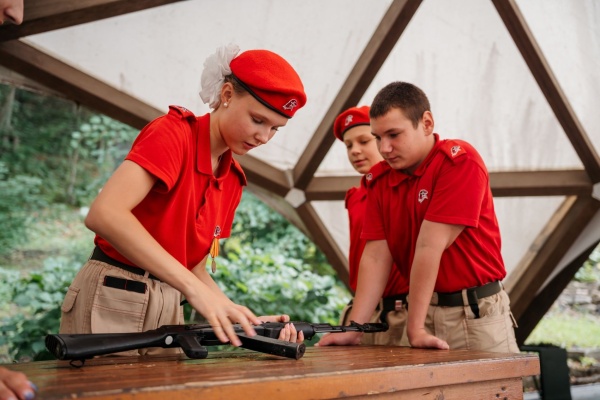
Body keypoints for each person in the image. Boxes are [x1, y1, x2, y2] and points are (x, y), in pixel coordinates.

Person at [58, 44, 308, 351]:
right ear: (227, 95)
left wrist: (245, 320)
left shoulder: (232, 179)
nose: (264, 137)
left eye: (275, 129)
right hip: (114, 293)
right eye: (258, 120)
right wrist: (191, 289)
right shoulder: (174, 133)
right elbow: (105, 214)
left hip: (170, 303)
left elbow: (193, 267)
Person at [319, 81, 518, 353]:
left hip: (474, 315)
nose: (385, 148)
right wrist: (355, 328)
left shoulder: (459, 161)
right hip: (422, 312)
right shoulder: (379, 181)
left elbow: (429, 246)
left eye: (393, 135)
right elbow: (376, 257)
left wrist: (415, 330)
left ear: (426, 123)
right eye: (377, 137)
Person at [332, 105, 408, 346]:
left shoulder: (406, 188)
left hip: (399, 312)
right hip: (361, 311)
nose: (355, 150)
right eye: (348, 145)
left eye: (364, 141)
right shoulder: (354, 196)